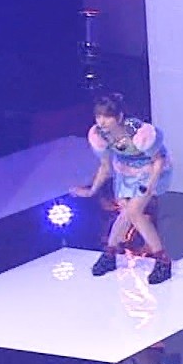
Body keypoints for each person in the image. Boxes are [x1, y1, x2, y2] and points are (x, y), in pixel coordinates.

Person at [74, 93, 173, 284]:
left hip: (150, 171)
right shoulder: (100, 135)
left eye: (107, 116)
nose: (101, 121)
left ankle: (162, 260)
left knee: (135, 212)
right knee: (126, 214)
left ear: (119, 117)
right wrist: (92, 190)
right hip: (125, 173)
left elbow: (158, 160)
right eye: (98, 116)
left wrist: (150, 185)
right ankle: (110, 253)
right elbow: (105, 166)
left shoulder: (139, 133)